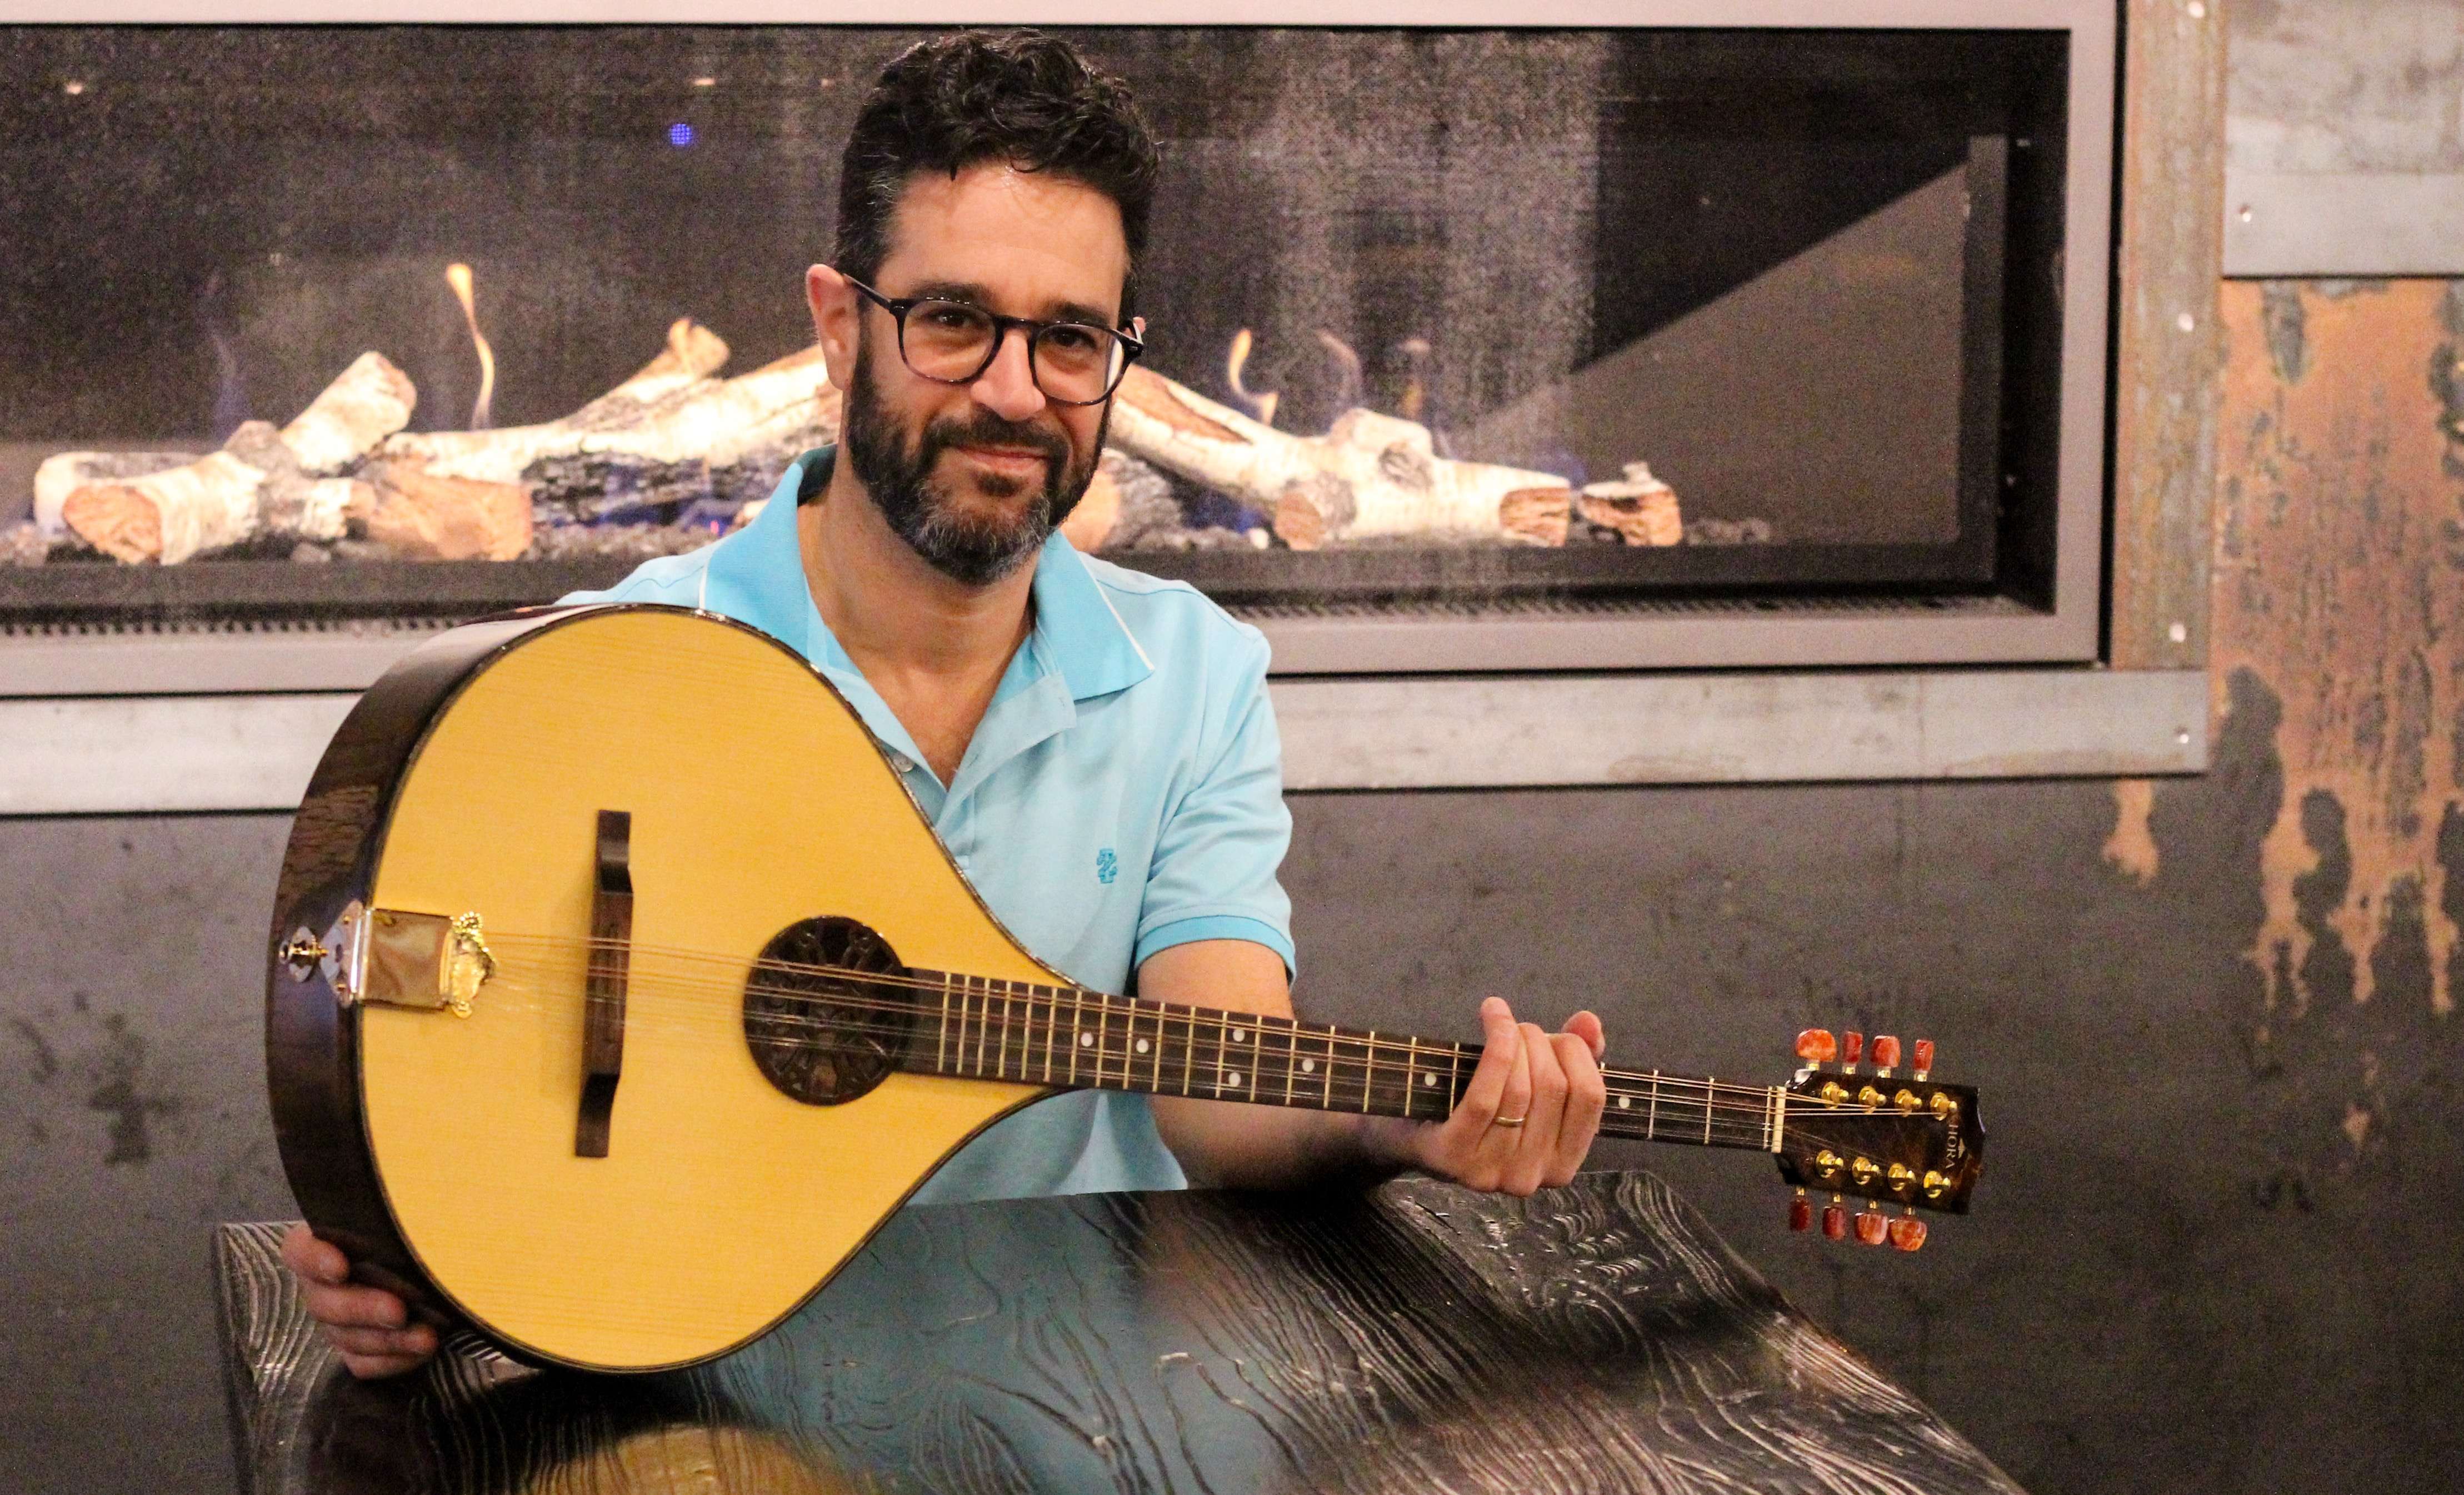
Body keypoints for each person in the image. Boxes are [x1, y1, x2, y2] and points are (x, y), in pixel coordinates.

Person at [282, 29, 1607, 1379]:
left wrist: (1410, 1127)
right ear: (841, 325)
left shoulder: (1194, 676)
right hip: (708, 1380)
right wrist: (419, 1243)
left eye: (1070, 338)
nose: (1015, 393)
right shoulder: (621, 667)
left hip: (1088, 1385)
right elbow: (428, 986)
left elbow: (1219, 1082)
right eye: (956, 320)